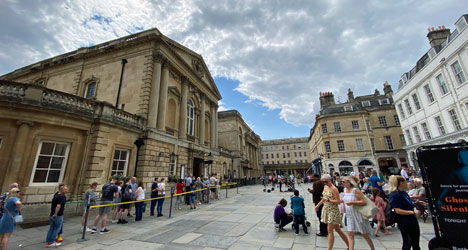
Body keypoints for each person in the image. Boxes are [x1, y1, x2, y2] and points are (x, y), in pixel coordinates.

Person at [315, 174, 349, 250]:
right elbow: (324, 198)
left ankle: (329, 248)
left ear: (330, 180)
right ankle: (349, 245)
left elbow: (338, 201)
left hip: (333, 210)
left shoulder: (334, 189)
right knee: (338, 229)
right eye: (323, 182)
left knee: (329, 230)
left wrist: (329, 200)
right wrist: (317, 205)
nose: (324, 183)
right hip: (326, 209)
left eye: (326, 181)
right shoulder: (325, 187)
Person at [341, 176, 375, 250]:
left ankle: (372, 248)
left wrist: (353, 202)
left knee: (364, 234)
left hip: (357, 214)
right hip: (349, 214)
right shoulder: (345, 190)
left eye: (343, 181)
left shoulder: (355, 190)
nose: (342, 183)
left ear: (349, 182)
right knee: (350, 234)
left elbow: (363, 201)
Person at [389, 175, 421, 250]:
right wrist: (412, 212)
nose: (407, 182)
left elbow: (406, 204)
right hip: (405, 222)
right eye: (405, 181)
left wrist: (417, 203)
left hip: (412, 220)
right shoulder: (395, 195)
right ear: (401, 183)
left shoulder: (404, 193)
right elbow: (396, 210)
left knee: (415, 242)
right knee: (408, 242)